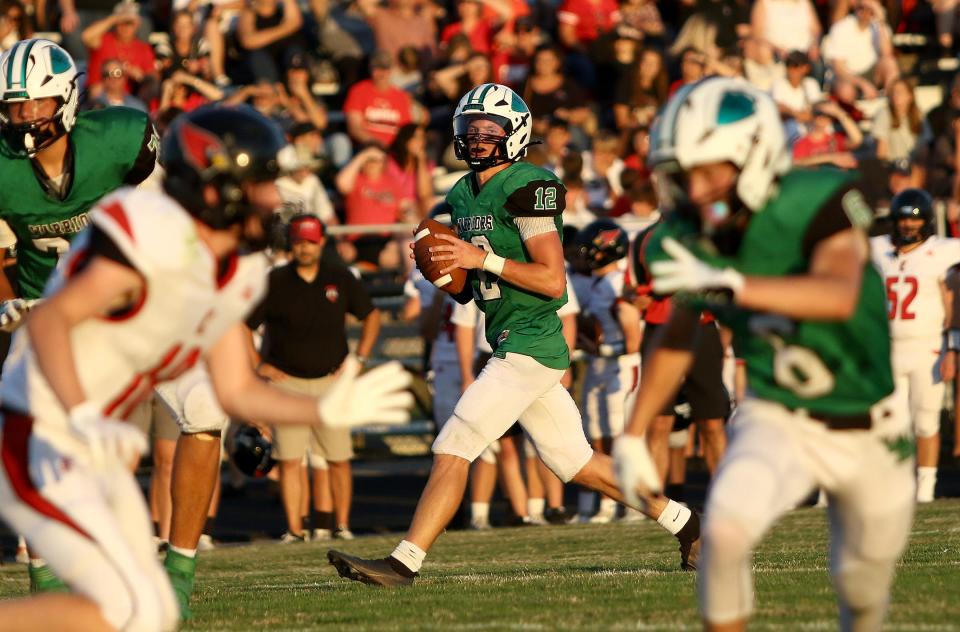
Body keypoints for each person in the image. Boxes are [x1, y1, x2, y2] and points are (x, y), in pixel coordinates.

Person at [0, 105, 413, 630]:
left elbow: (236, 388)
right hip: (40, 420)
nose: (274, 198)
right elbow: (54, 322)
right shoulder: (145, 226)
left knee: (200, 418)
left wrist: (322, 407)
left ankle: (177, 574)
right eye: (261, 184)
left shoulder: (234, 265)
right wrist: (82, 416)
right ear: (217, 190)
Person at [328, 83, 701, 588]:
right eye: (470, 129)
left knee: (454, 442)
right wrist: (451, 275)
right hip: (505, 333)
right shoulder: (461, 194)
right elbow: (472, 286)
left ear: (516, 134)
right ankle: (685, 523)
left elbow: (551, 279)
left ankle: (403, 563)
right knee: (576, 463)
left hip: (533, 340)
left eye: (490, 130)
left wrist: (480, 258)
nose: (478, 139)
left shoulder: (528, 185)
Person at [615, 77, 914, 632]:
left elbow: (838, 292)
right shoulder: (691, 233)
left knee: (863, 589)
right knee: (725, 530)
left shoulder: (817, 197)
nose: (695, 188)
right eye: (684, 174)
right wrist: (632, 433)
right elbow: (677, 336)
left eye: (710, 170)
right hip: (777, 413)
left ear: (755, 156)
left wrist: (733, 285)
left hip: (871, 423)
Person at [248, 214, 382, 542]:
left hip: (330, 381)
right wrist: (258, 366)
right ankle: (294, 529)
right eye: (298, 241)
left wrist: (358, 361)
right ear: (290, 244)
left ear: (321, 242)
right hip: (287, 382)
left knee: (339, 458)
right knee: (290, 460)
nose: (304, 248)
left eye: (310, 241)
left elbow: (371, 316)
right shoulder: (274, 281)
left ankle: (342, 525)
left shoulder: (340, 277)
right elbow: (243, 325)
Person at [0, 38, 158, 305]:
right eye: (16, 105)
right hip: (41, 309)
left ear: (66, 96)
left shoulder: (116, 139)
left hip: (120, 301)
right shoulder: (5, 168)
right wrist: (9, 309)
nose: (27, 113)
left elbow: (165, 220)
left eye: (39, 102)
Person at [869, 188, 960, 503]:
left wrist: (953, 346)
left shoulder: (943, 251)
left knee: (926, 419)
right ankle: (894, 484)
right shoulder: (878, 249)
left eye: (915, 220)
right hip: (889, 346)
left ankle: (925, 489)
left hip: (927, 346)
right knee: (887, 420)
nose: (908, 226)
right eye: (904, 219)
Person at [569, 219, 641, 523]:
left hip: (621, 366)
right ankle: (608, 502)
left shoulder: (615, 283)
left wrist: (607, 349)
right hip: (602, 363)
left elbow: (632, 331)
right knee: (596, 433)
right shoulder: (599, 282)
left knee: (618, 434)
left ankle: (634, 499)